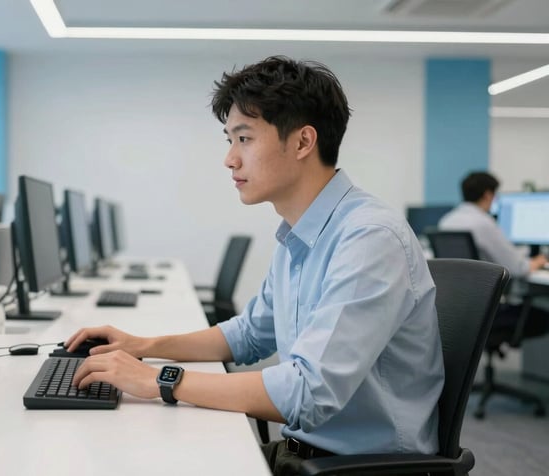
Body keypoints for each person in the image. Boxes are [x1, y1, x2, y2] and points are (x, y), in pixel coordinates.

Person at [67, 56, 444, 475]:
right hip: (306, 456)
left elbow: (309, 393)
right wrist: (142, 346)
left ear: (303, 142)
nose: (230, 159)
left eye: (243, 139)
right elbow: (248, 335)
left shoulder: (369, 238)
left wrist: (159, 381)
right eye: (229, 141)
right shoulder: (298, 234)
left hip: (361, 468)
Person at [438, 171, 547, 277]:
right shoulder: (483, 223)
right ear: (488, 195)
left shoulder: (446, 220)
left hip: (455, 290)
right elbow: (516, 268)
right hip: (483, 290)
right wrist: (540, 260)